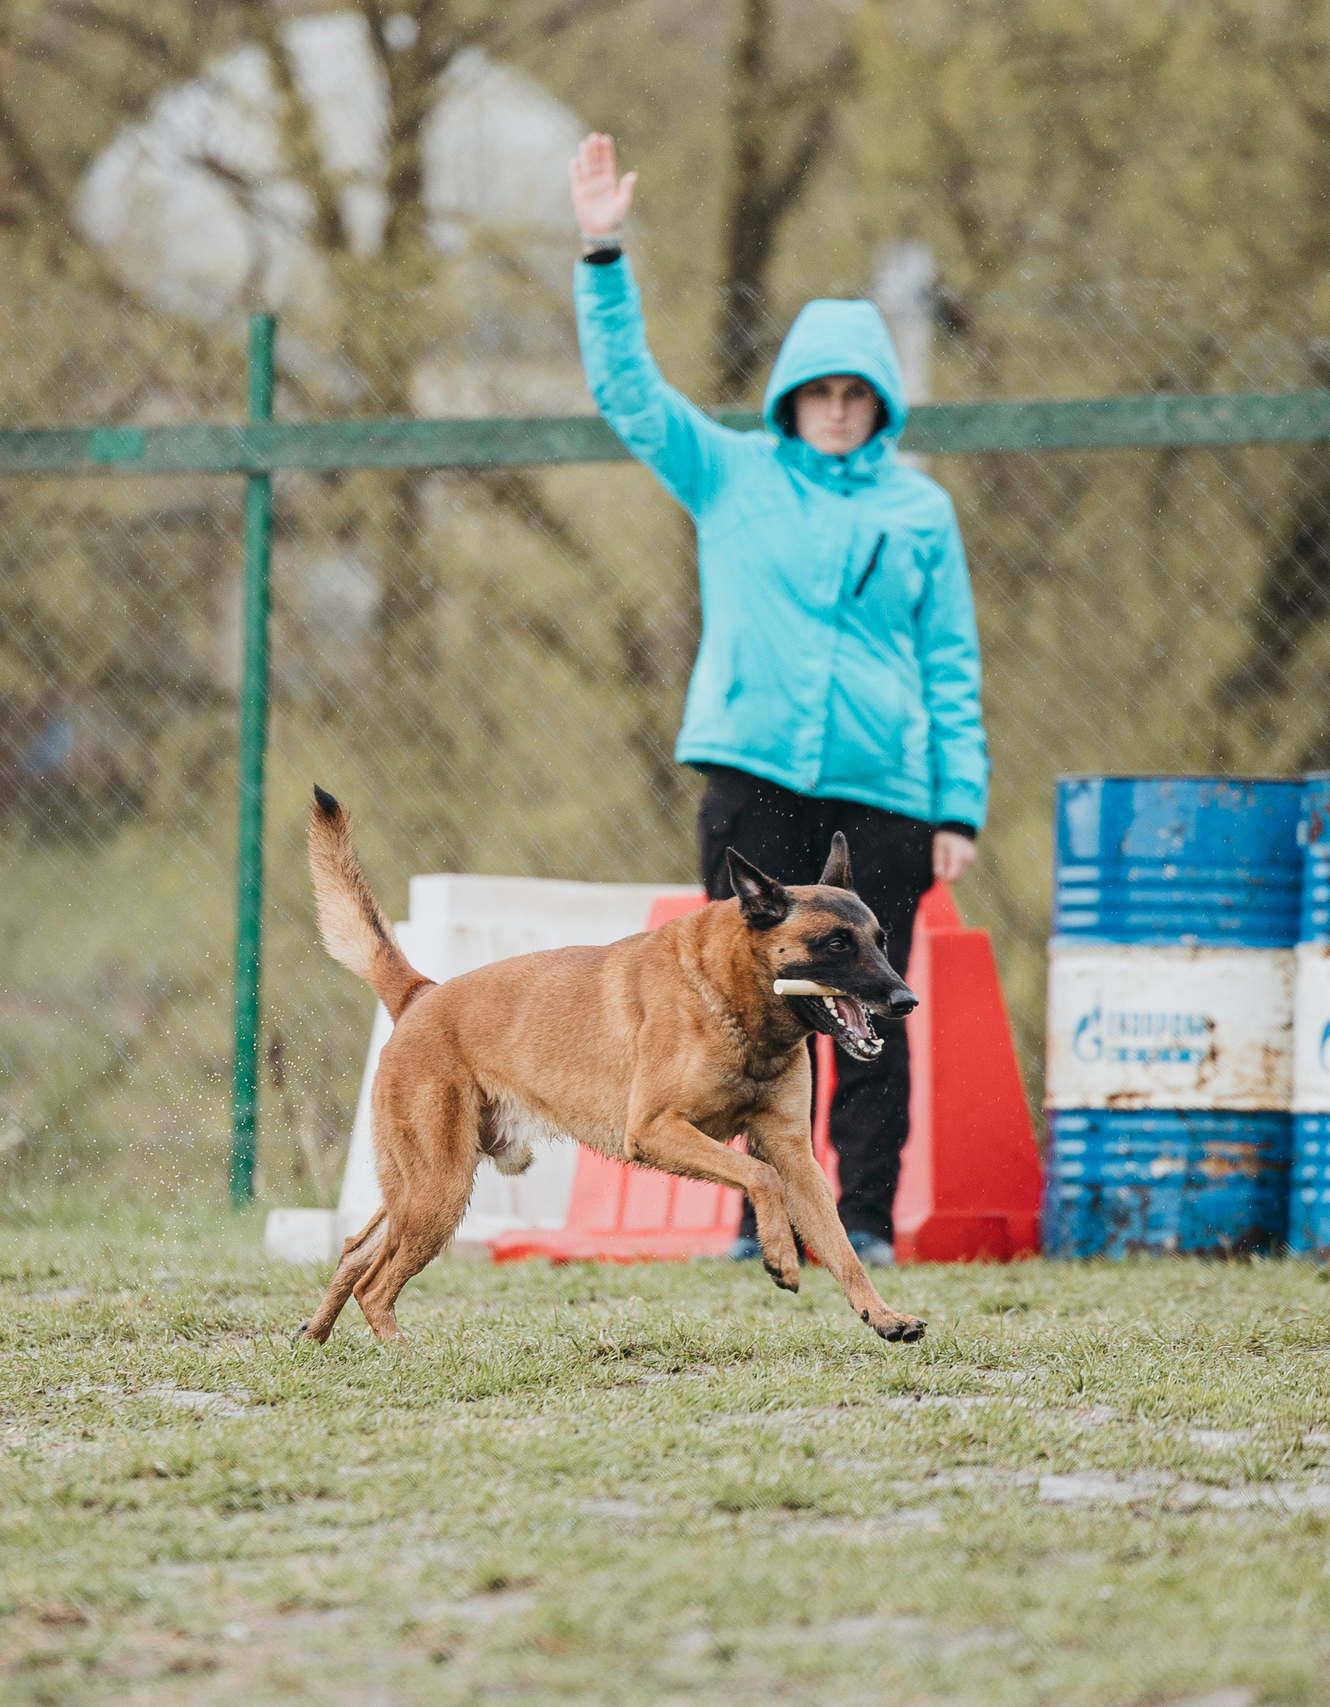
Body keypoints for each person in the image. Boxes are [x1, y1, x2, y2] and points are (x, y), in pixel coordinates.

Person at [566, 132, 990, 1269]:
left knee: (869, 1008)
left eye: (857, 393)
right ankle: (752, 1217)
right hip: (751, 783)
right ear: (790, 399)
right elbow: (628, 395)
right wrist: (602, 252)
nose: (837, 409)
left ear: (880, 403)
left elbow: (951, 661)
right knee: (737, 1012)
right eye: (819, 392)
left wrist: (957, 806)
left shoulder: (920, 513)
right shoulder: (730, 473)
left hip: (884, 796)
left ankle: (863, 1219)